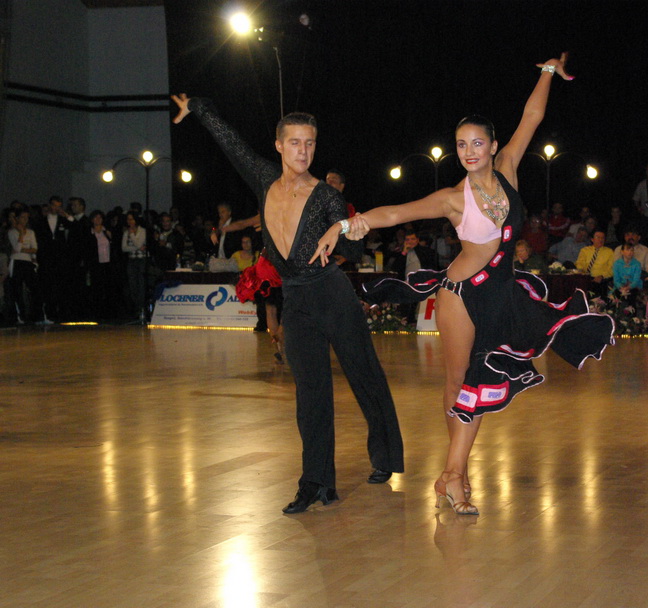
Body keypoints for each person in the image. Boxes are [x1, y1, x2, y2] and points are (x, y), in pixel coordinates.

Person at [312, 54, 614, 516]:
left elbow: (532, 116)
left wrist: (547, 71)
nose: (469, 151)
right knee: (462, 382)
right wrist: (345, 225)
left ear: (493, 146)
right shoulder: (454, 198)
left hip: (502, 294)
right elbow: (395, 213)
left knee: (478, 381)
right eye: (461, 145)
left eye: (477, 143)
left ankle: (454, 474)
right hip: (460, 295)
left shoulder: (509, 168)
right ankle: (454, 475)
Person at [171, 93, 404, 514]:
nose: (303, 151)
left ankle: (385, 456)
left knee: (364, 375)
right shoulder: (264, 178)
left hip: (331, 294)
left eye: (310, 143)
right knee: (310, 394)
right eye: (295, 142)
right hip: (295, 297)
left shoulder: (326, 196)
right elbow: (231, 143)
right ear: (279, 145)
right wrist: (199, 109)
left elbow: (352, 251)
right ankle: (316, 481)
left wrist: (350, 234)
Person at [121, 211, 147, 319]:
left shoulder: (143, 230)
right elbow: (124, 248)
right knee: (133, 285)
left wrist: (132, 235)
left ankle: (142, 308)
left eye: (131, 219)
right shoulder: (125, 232)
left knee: (141, 284)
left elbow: (139, 243)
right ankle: (136, 307)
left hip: (142, 260)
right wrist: (137, 247)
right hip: (131, 260)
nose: (130, 221)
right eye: (128, 219)